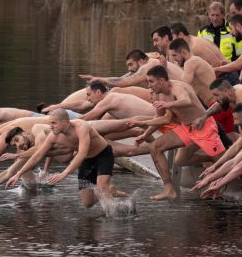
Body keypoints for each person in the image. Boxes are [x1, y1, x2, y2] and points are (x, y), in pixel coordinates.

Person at [4, 109, 130, 208]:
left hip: (103, 155)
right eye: (50, 123)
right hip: (87, 161)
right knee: (88, 203)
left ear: (64, 122)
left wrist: (65, 173)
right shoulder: (53, 136)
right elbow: (37, 155)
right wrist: (18, 173)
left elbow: (81, 153)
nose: (51, 127)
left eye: (53, 123)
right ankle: (111, 191)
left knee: (102, 186)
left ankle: (113, 221)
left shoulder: (81, 127)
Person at [144, 65, 226, 200]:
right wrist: (145, 134)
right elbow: (164, 118)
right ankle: (169, 189)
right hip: (187, 128)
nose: (149, 85)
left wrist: (168, 106)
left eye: (151, 81)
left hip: (203, 126)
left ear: (161, 81)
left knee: (226, 161)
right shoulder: (161, 94)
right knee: (157, 148)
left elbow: (186, 100)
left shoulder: (177, 87)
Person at [79, 49, 182, 88]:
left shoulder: (149, 65)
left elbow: (127, 81)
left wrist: (99, 79)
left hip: (184, 94)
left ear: (141, 61)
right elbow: (122, 78)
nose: (129, 68)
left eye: (131, 64)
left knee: (118, 93)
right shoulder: (148, 61)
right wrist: (99, 82)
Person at [168, 38, 218, 105]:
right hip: (212, 102)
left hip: (215, 103)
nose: (174, 59)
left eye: (174, 55)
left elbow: (183, 85)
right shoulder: (194, 60)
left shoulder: (191, 62)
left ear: (184, 52)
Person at [80, 81, 156, 120]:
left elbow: (86, 118)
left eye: (89, 94)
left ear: (98, 92)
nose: (88, 98)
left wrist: (69, 122)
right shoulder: (111, 97)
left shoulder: (108, 99)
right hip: (155, 117)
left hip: (159, 119)